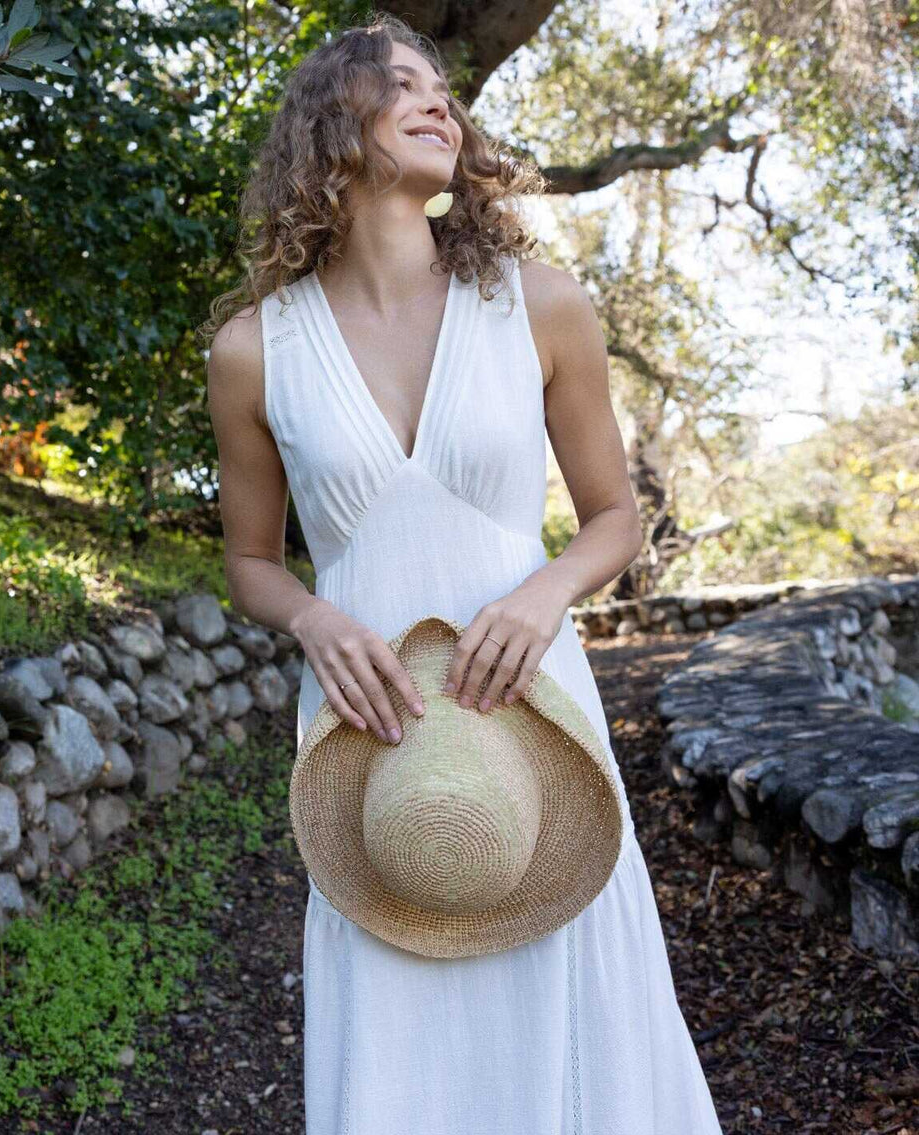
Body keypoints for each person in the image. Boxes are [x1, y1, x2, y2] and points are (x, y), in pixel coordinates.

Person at [201, 12, 724, 1134]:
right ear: (332, 122)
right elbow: (250, 561)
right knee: (398, 1014)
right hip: (370, 730)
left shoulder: (539, 303)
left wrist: (542, 593)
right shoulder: (254, 349)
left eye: (441, 87)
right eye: (400, 84)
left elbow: (614, 518)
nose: (437, 100)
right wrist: (311, 618)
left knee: (567, 989)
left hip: (535, 705)